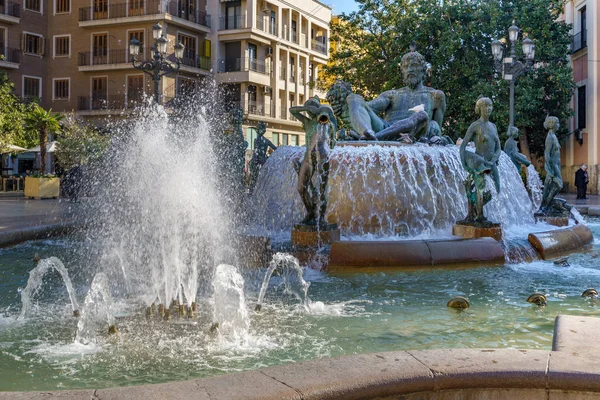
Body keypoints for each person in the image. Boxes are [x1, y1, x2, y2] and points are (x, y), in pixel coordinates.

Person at [326, 44, 446, 143]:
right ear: (402, 72)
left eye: (414, 66)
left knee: (424, 117)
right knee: (354, 98)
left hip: (414, 135)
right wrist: (346, 107)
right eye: (406, 67)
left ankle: (375, 137)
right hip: (386, 129)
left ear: (423, 70)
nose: (410, 70)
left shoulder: (435, 96)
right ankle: (367, 133)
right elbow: (368, 108)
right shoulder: (392, 94)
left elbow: (436, 129)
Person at [290, 96, 337, 226]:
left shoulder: (326, 122)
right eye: (309, 108)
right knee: (301, 188)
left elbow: (333, 143)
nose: (311, 112)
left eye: (313, 107)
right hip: (307, 158)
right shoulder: (307, 122)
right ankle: (310, 212)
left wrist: (323, 114)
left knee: (322, 189)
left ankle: (321, 217)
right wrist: (305, 108)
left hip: (322, 157)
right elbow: (291, 110)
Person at [459, 97, 501, 224]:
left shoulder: (493, 126)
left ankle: (474, 209)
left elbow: (498, 147)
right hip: (479, 163)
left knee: (496, 190)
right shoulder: (475, 126)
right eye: (485, 106)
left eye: (490, 106)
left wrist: (493, 160)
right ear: (479, 109)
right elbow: (463, 146)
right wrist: (465, 164)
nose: (488, 108)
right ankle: (479, 217)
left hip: (491, 163)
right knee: (480, 189)